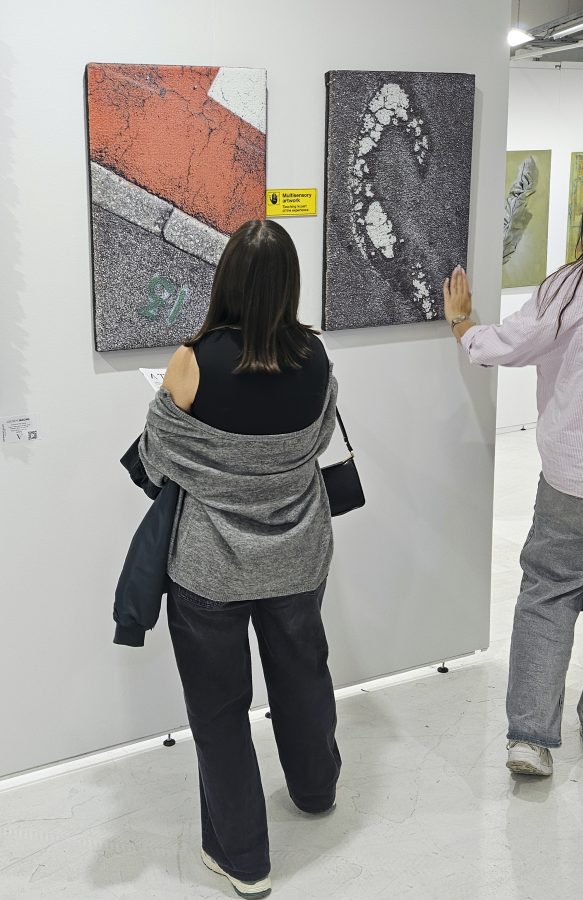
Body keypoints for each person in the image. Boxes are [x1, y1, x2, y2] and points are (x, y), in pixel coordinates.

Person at [137, 219, 341, 898]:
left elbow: (156, 458)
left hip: (210, 567)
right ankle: (315, 790)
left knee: (220, 709)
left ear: (225, 279)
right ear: (289, 285)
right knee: (304, 676)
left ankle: (244, 859)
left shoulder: (193, 361)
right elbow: (318, 439)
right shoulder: (315, 356)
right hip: (298, 555)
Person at [443, 184, 583, 778]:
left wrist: (463, 326)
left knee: (547, 594)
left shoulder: (571, 288)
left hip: (573, 476)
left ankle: (529, 739)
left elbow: (509, 344)